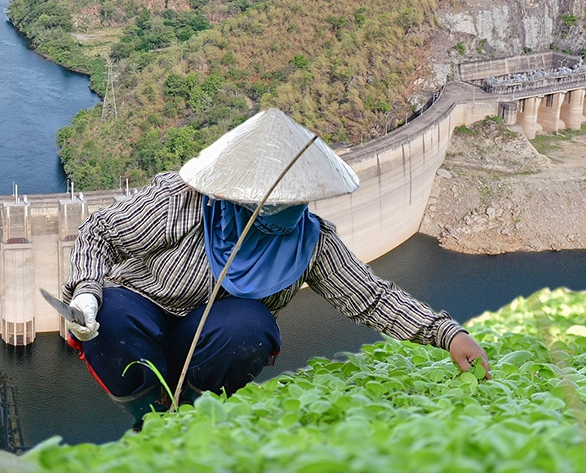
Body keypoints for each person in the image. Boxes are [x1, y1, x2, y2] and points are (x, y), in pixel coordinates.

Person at [63, 109, 492, 423]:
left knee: (249, 323)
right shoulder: (186, 201)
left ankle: (191, 416)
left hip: (211, 341)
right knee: (113, 317)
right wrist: (85, 292)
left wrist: (445, 334)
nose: (274, 214)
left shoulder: (309, 243)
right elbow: (99, 233)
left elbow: (371, 297)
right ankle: (148, 416)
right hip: (142, 314)